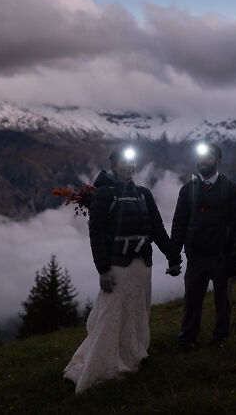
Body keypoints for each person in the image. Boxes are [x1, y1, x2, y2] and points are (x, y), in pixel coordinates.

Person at [63, 146, 182, 393]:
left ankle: (130, 357)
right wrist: (103, 269)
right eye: (124, 163)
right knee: (111, 317)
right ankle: (102, 367)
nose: (129, 166)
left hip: (142, 266)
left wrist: (173, 257)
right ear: (114, 166)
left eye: (132, 162)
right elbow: (96, 234)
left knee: (137, 313)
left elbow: (157, 228)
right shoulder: (103, 195)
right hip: (118, 267)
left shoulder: (143, 194)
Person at [171, 142, 236, 349]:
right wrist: (174, 255)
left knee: (223, 302)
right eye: (199, 158)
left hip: (222, 256)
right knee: (191, 301)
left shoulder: (231, 189)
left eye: (207, 158)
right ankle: (187, 340)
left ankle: (220, 339)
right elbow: (179, 223)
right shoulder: (188, 189)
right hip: (196, 256)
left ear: (218, 161)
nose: (202, 161)